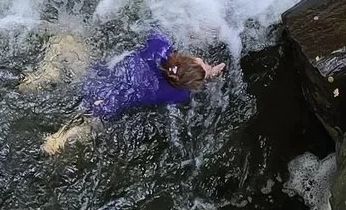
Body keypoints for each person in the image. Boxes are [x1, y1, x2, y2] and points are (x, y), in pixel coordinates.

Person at [40, 32, 225, 154]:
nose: (205, 63)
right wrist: (208, 75)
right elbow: (191, 83)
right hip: (107, 104)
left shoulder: (159, 45)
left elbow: (156, 28)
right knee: (88, 128)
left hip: (96, 79)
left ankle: (42, 77)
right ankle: (57, 141)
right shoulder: (179, 95)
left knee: (64, 41)